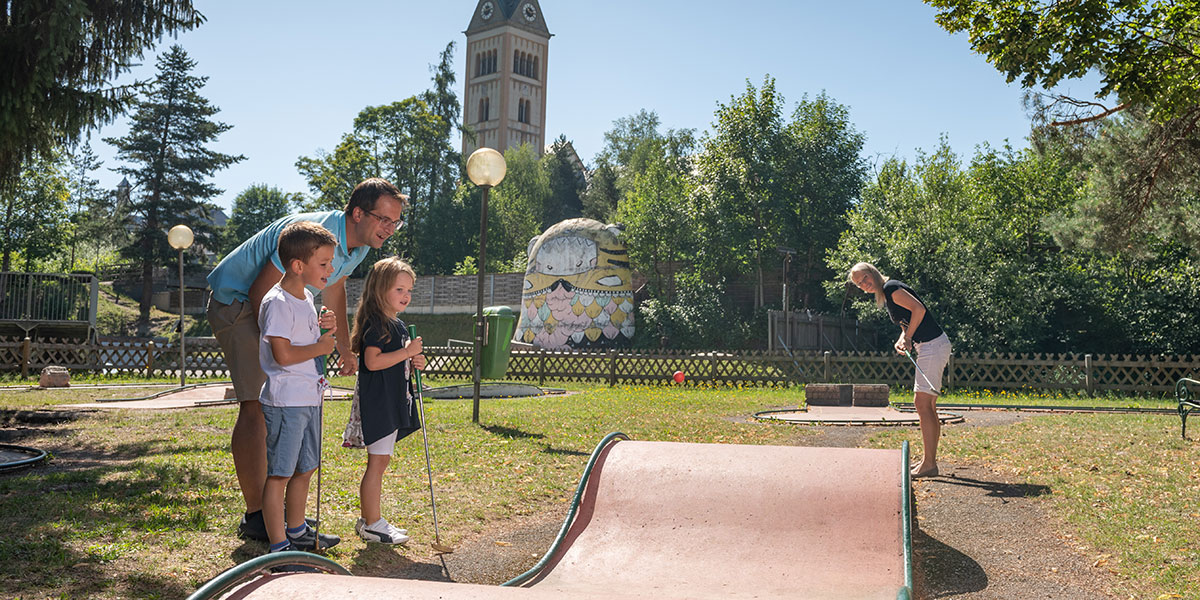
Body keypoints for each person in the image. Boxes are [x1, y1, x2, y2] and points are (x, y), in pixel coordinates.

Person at [207, 178, 407, 541]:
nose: (389, 230)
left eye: (395, 223)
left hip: (275, 308)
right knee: (259, 403)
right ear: (358, 213)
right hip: (237, 301)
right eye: (384, 220)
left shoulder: (358, 246)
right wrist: (283, 352)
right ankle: (257, 516)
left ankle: (287, 519)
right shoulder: (317, 235)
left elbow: (333, 288)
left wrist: (345, 347)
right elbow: (263, 293)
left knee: (283, 408)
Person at [257, 222, 341, 552]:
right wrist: (320, 348)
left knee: (305, 468)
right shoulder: (276, 302)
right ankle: (278, 546)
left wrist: (322, 330)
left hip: (309, 397)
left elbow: (302, 341)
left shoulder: (305, 296)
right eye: (324, 263)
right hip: (286, 402)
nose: (331, 269)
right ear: (298, 265)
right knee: (280, 473)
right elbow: (282, 355)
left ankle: (297, 530)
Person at [347, 257, 426, 544]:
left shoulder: (398, 325)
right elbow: (373, 361)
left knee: (382, 461)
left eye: (409, 291)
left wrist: (415, 359)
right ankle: (372, 523)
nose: (405, 296)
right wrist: (405, 354)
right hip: (378, 402)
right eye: (399, 290)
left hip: (393, 400)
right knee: (377, 463)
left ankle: (370, 518)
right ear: (381, 290)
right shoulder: (376, 324)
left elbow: (399, 361)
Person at [849, 262, 952, 478]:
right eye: (859, 284)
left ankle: (930, 464)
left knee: (922, 403)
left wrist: (909, 337)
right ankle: (928, 461)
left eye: (865, 278)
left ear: (873, 272)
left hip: (932, 345)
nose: (864, 284)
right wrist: (903, 337)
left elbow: (919, 310)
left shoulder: (891, 288)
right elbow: (907, 321)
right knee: (927, 405)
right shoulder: (887, 294)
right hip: (928, 345)